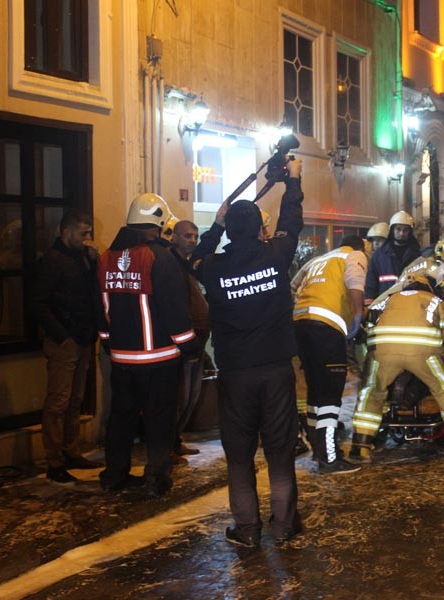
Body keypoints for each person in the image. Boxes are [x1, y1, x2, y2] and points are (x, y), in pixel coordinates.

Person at [196, 158, 304, 548]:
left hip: (236, 374)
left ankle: (246, 528)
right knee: (279, 450)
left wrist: (216, 226)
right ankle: (284, 524)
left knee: (239, 456)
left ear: (229, 231)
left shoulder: (212, 267)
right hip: (275, 370)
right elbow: (292, 221)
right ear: (260, 229)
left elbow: (190, 257)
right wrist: (293, 182)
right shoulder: (275, 255)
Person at [97, 193, 199, 498]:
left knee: (121, 419)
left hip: (121, 358)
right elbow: (174, 309)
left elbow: (99, 308)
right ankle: (156, 478)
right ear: (158, 223)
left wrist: (107, 342)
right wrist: (189, 346)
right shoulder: (160, 257)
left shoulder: (105, 258)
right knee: (159, 419)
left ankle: (114, 475)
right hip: (159, 358)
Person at [350, 271, 444, 462]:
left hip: (383, 349)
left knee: (372, 391)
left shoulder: (388, 299)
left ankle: (361, 445)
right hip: (424, 350)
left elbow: (368, 324)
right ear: (429, 288)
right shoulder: (435, 301)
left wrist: (369, 359)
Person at [31, 209, 103, 484]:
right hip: (65, 339)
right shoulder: (52, 261)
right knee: (59, 401)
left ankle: (70, 452)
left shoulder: (83, 258)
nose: (88, 238)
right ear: (67, 232)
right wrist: (61, 335)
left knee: (74, 400)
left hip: (82, 336)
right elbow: (38, 302)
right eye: (83, 233)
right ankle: (54, 461)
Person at [293, 235, 367, 474]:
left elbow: (292, 285)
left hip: (301, 324)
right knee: (330, 395)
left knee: (315, 392)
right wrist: (358, 314)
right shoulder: (353, 255)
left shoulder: (318, 260)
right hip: (327, 326)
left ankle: (319, 450)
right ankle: (329, 459)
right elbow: (355, 281)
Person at [169, 220, 211, 458]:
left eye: (195, 236)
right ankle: (170, 443)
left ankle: (175, 440)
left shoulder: (190, 265)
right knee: (182, 395)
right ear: (174, 237)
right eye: (187, 236)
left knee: (191, 394)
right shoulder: (171, 264)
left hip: (198, 338)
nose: (192, 240)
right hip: (185, 341)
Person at [364, 211, 422, 303]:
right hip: (385, 304)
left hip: (410, 303)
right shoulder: (379, 255)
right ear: (392, 230)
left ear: (410, 232)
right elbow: (371, 281)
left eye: (405, 230)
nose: (402, 233)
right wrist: (369, 302)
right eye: (398, 229)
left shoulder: (418, 255)